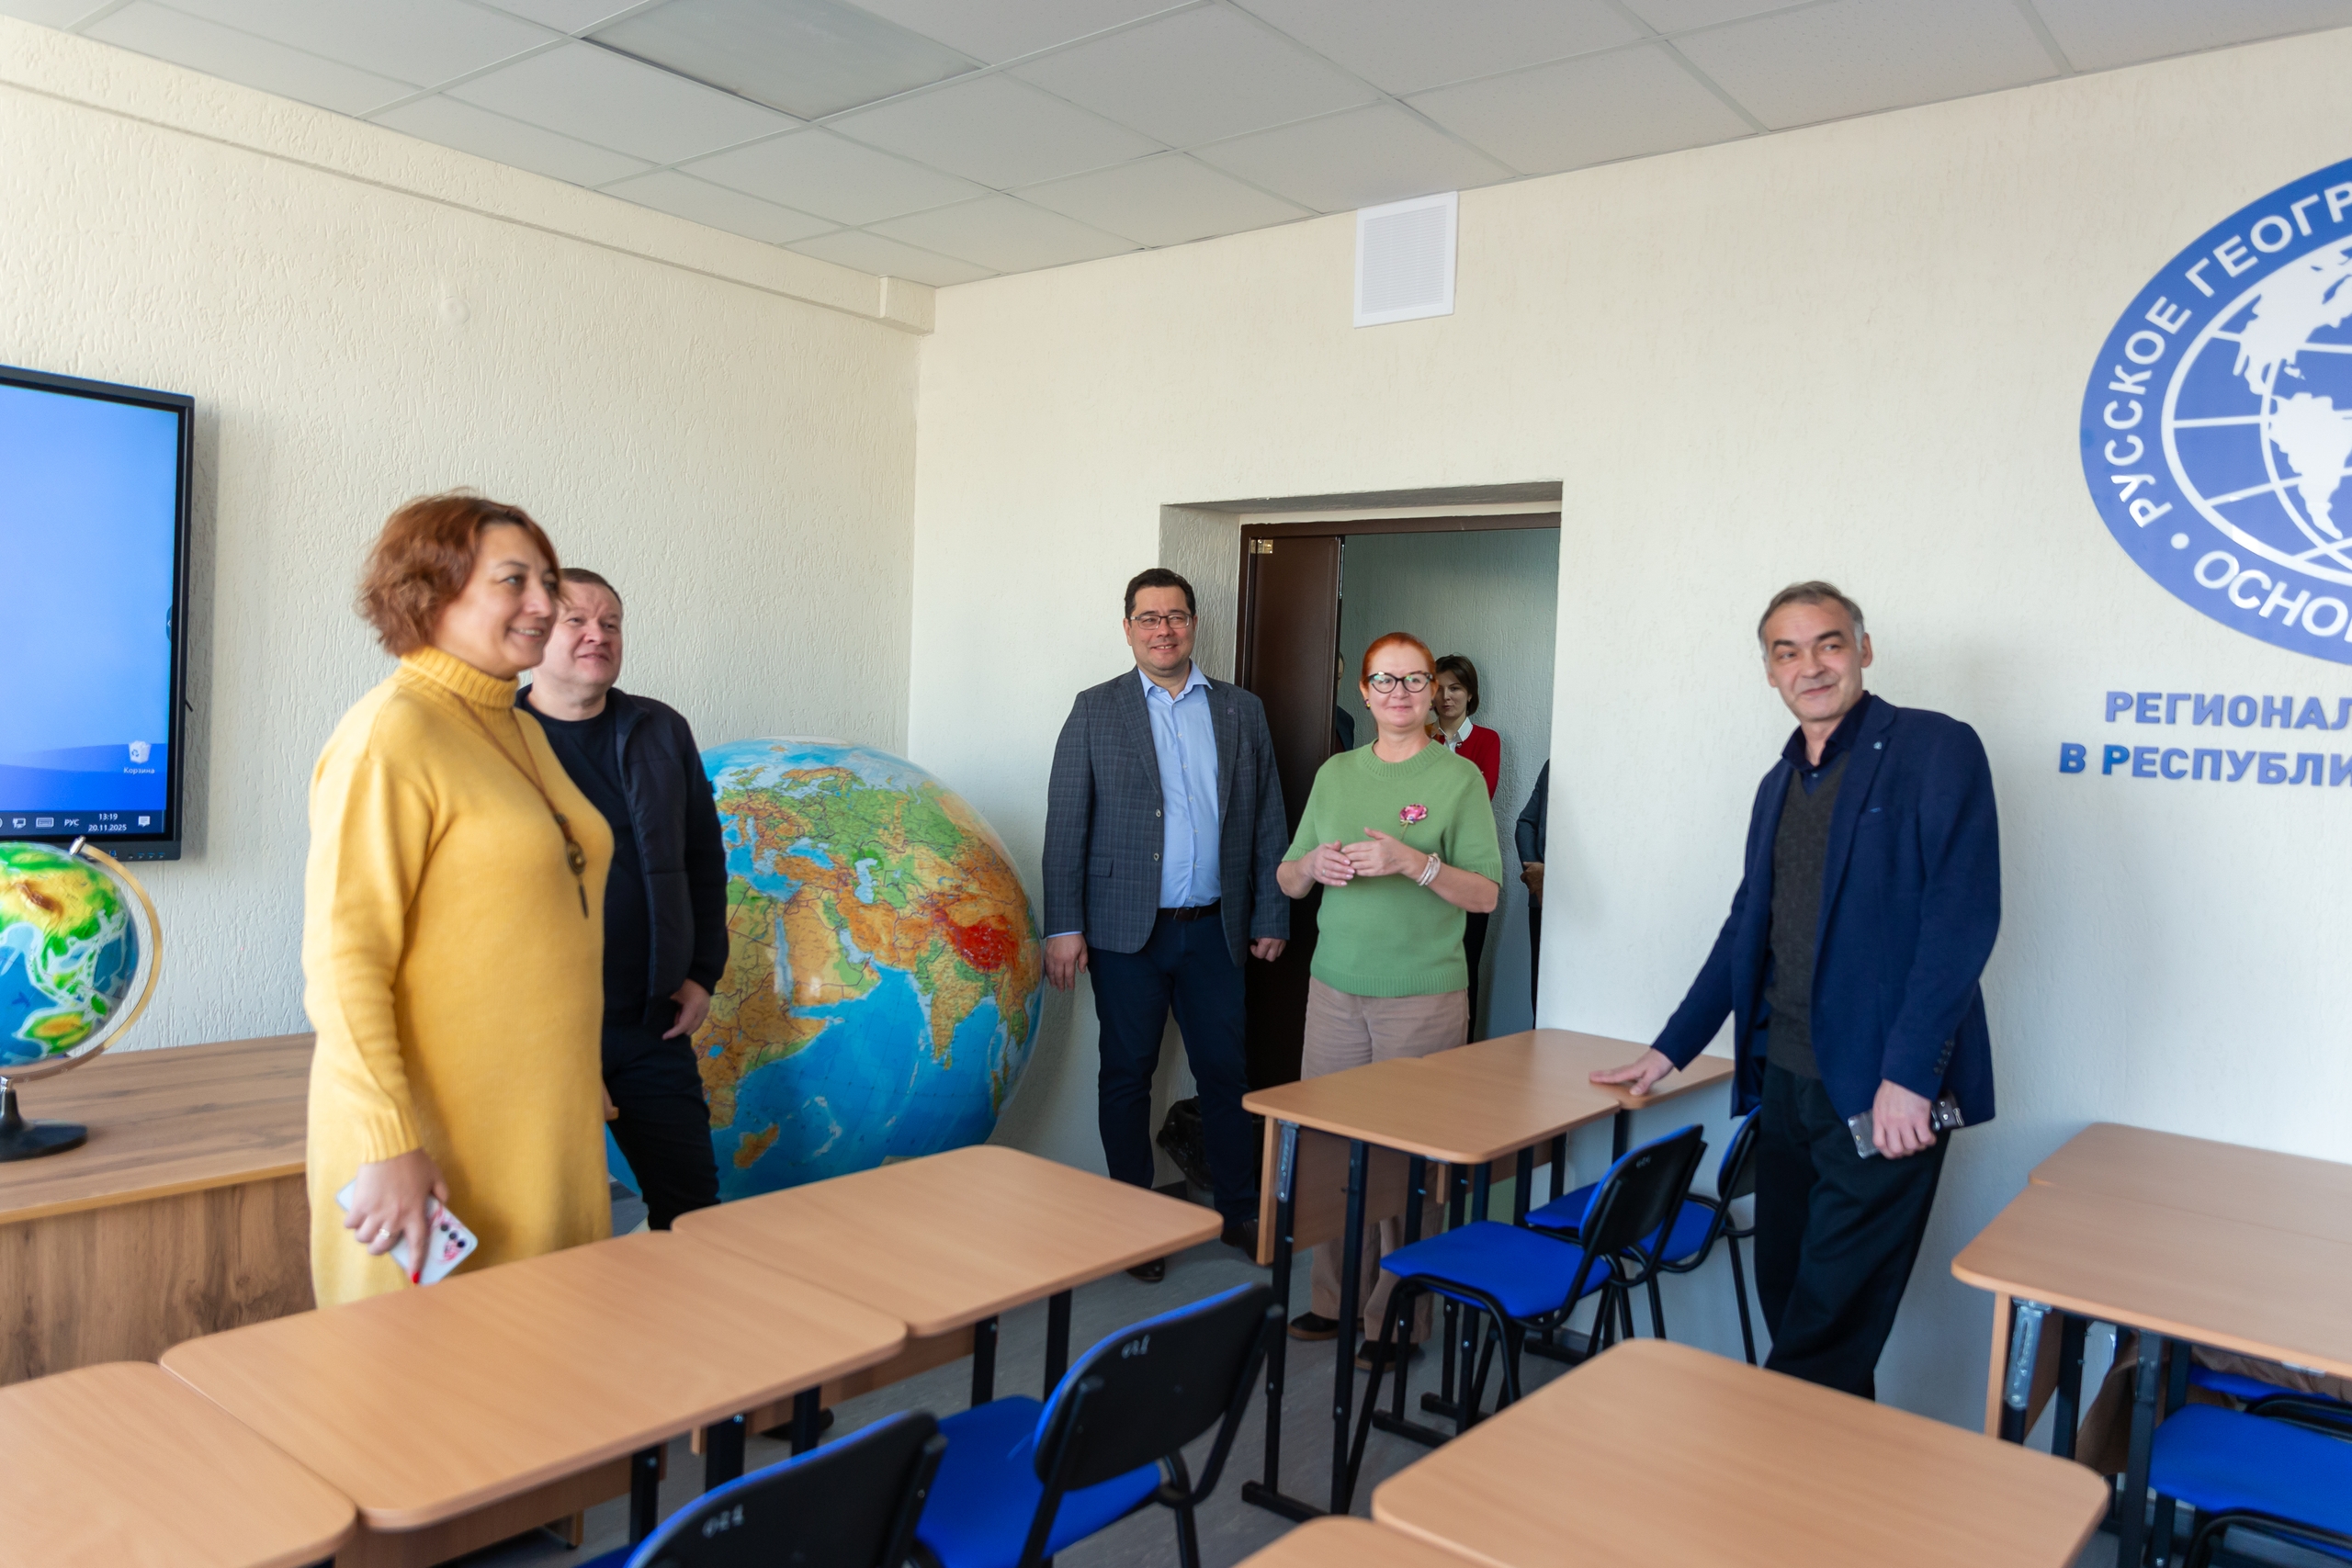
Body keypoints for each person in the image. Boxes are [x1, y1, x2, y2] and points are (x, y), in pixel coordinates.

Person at [1592, 581, 1999, 1398]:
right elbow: (1749, 926)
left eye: (1828, 644)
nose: (1809, 666)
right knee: (1787, 1288)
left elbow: (1960, 921)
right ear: (1770, 671)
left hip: (1882, 1091)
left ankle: (1778, 1468)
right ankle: (1830, 1464)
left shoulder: (1935, 748)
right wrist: (1670, 1049)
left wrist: (1910, 1077)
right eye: (1788, 651)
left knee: (1828, 1323)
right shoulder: (1777, 783)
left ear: (1863, 649)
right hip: (1784, 1079)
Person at [304, 493, 613, 1306]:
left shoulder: (521, 726)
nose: (545, 604)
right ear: (430, 592)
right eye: (514, 581)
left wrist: (575, 1072)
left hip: (543, 1127)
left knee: (556, 1365)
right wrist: (387, 1143)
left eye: (548, 580)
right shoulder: (390, 733)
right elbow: (343, 963)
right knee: (430, 1380)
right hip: (427, 1148)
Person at [1042, 568, 1290, 1280]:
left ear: (1193, 624)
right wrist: (1063, 926)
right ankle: (1134, 1227)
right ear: (1128, 629)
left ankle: (1239, 1210)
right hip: (1125, 934)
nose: (1163, 629)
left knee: (1226, 1072)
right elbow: (1067, 826)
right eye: (1148, 618)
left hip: (1215, 929)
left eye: (1175, 616)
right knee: (1126, 1075)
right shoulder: (1095, 709)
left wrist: (1271, 910)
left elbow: (1267, 819)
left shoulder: (1241, 710)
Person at [1279, 632, 1502, 1365]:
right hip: (1334, 989)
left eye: (1414, 680)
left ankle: (1398, 1318)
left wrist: (1416, 863)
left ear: (1433, 689)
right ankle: (1334, 1300)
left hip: (1422, 996)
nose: (1399, 693)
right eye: (1385, 679)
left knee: (1407, 1163)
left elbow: (1486, 894)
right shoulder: (1336, 773)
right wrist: (1312, 864)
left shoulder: (1458, 778)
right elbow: (1287, 877)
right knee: (1331, 1149)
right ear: (1365, 691)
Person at [522, 569, 728, 1232]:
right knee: (551, 1227)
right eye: (577, 620)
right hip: (538, 1033)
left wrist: (702, 974)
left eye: (610, 623)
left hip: (649, 1024)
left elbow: (703, 860)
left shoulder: (661, 729)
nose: (598, 634)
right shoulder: (494, 739)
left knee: (692, 1213)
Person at [1431, 654, 1500, 1027]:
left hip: (1471, 870)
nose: (1446, 696)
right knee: (1426, 971)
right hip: (1424, 871)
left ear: (1470, 694)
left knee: (1466, 970)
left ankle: (1462, 1052)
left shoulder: (1487, 740)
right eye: (1439, 688)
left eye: (1455, 688)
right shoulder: (1418, 739)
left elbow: (1479, 800)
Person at [1515, 760, 1549, 1018]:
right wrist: (1535, 874)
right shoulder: (1555, 764)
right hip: (1540, 897)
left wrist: (1552, 875)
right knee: (1543, 997)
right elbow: (1526, 823)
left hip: (1591, 906)